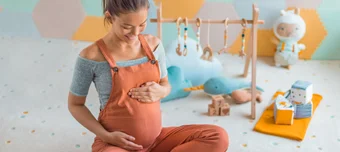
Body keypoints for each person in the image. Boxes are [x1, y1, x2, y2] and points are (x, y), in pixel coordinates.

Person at [67, 0, 229, 151]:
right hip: (116, 145)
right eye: (127, 26)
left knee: (218, 137)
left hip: (157, 140)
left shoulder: (154, 46)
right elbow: (75, 105)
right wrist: (106, 136)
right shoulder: (91, 57)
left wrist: (162, 91)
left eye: (142, 25)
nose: (135, 33)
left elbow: (166, 85)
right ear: (109, 17)